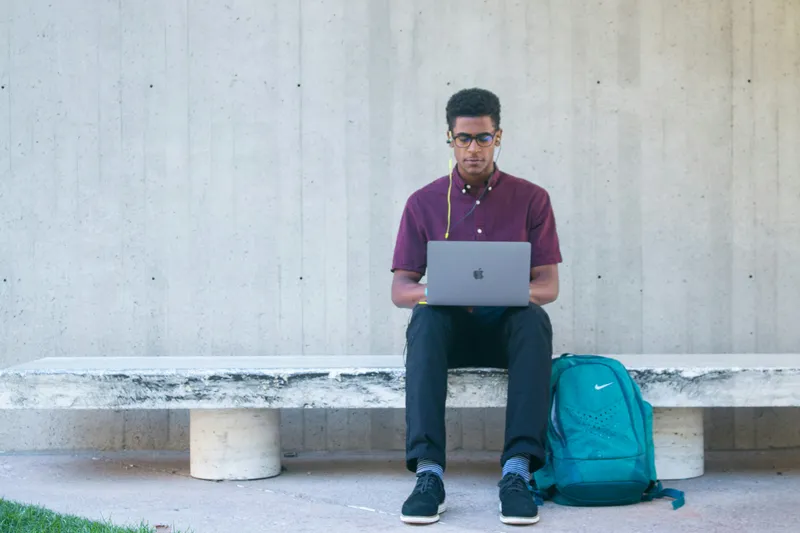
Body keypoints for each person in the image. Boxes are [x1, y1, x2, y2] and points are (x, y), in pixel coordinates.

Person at [390, 88, 562, 526]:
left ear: (498, 136)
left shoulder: (532, 198)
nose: (473, 149)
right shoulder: (423, 202)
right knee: (425, 318)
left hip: (506, 333)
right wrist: (444, 291)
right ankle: (428, 473)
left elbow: (548, 286)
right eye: (463, 139)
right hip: (451, 336)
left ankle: (517, 472)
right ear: (449, 138)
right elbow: (401, 290)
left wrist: (504, 292)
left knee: (533, 320)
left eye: (482, 138)